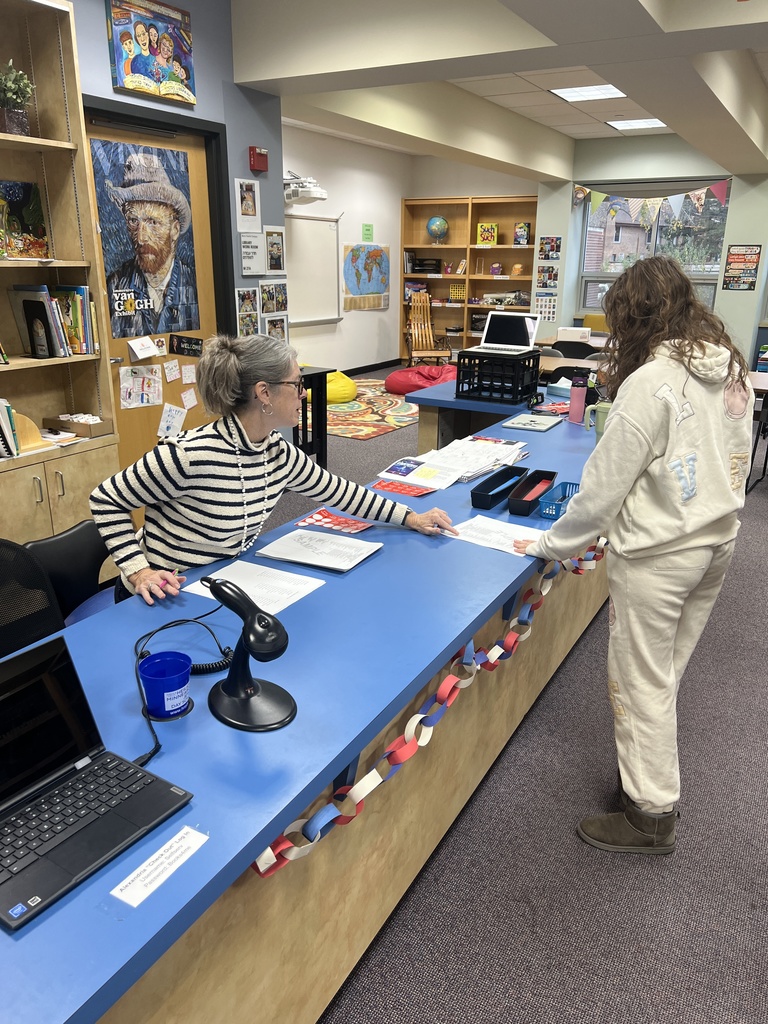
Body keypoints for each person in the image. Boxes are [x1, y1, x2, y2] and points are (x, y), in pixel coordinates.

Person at [513, 256, 753, 855]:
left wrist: (547, 545)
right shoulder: (729, 367)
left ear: (634, 316)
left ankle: (650, 815)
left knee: (639, 681)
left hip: (661, 556)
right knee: (663, 672)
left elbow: (599, 494)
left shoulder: (650, 383)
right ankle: (650, 780)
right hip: (717, 541)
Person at [91, 334, 458, 605]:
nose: (303, 394)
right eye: (296, 385)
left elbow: (341, 492)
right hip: (161, 595)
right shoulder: (188, 455)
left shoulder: (275, 451)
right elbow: (105, 499)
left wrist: (409, 517)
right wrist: (138, 571)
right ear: (264, 393)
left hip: (217, 585)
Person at [104, 151, 199, 338]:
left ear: (175, 229)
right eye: (133, 221)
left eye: (153, 222)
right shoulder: (115, 286)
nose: (140, 238)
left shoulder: (194, 284)